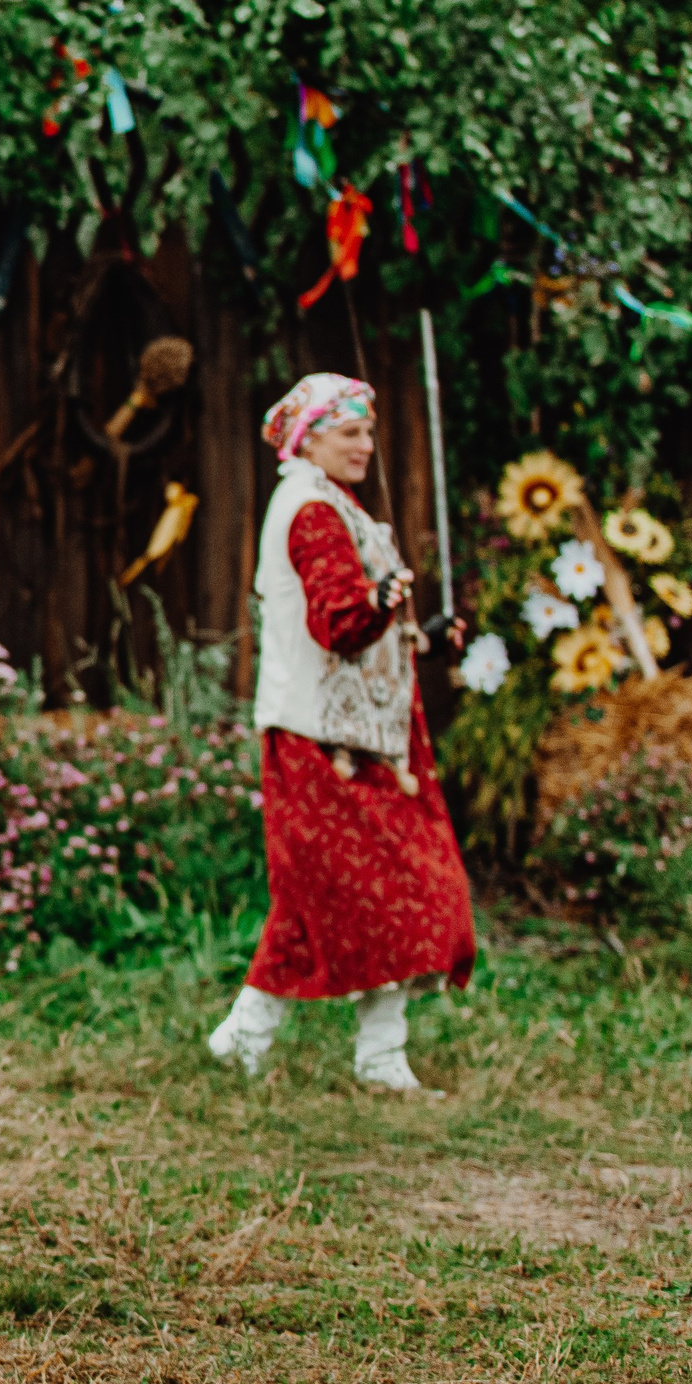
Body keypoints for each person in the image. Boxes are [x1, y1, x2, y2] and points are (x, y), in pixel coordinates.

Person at [208, 373, 476, 1091]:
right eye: (350, 431)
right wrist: (381, 603)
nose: (366, 444)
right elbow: (340, 625)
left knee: (358, 895)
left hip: (354, 741)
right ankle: (354, 1051)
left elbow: (363, 630)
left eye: (368, 430)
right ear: (311, 437)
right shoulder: (312, 510)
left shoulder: (330, 504)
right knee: (382, 892)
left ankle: (299, 1044)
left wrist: (422, 635)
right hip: (323, 744)